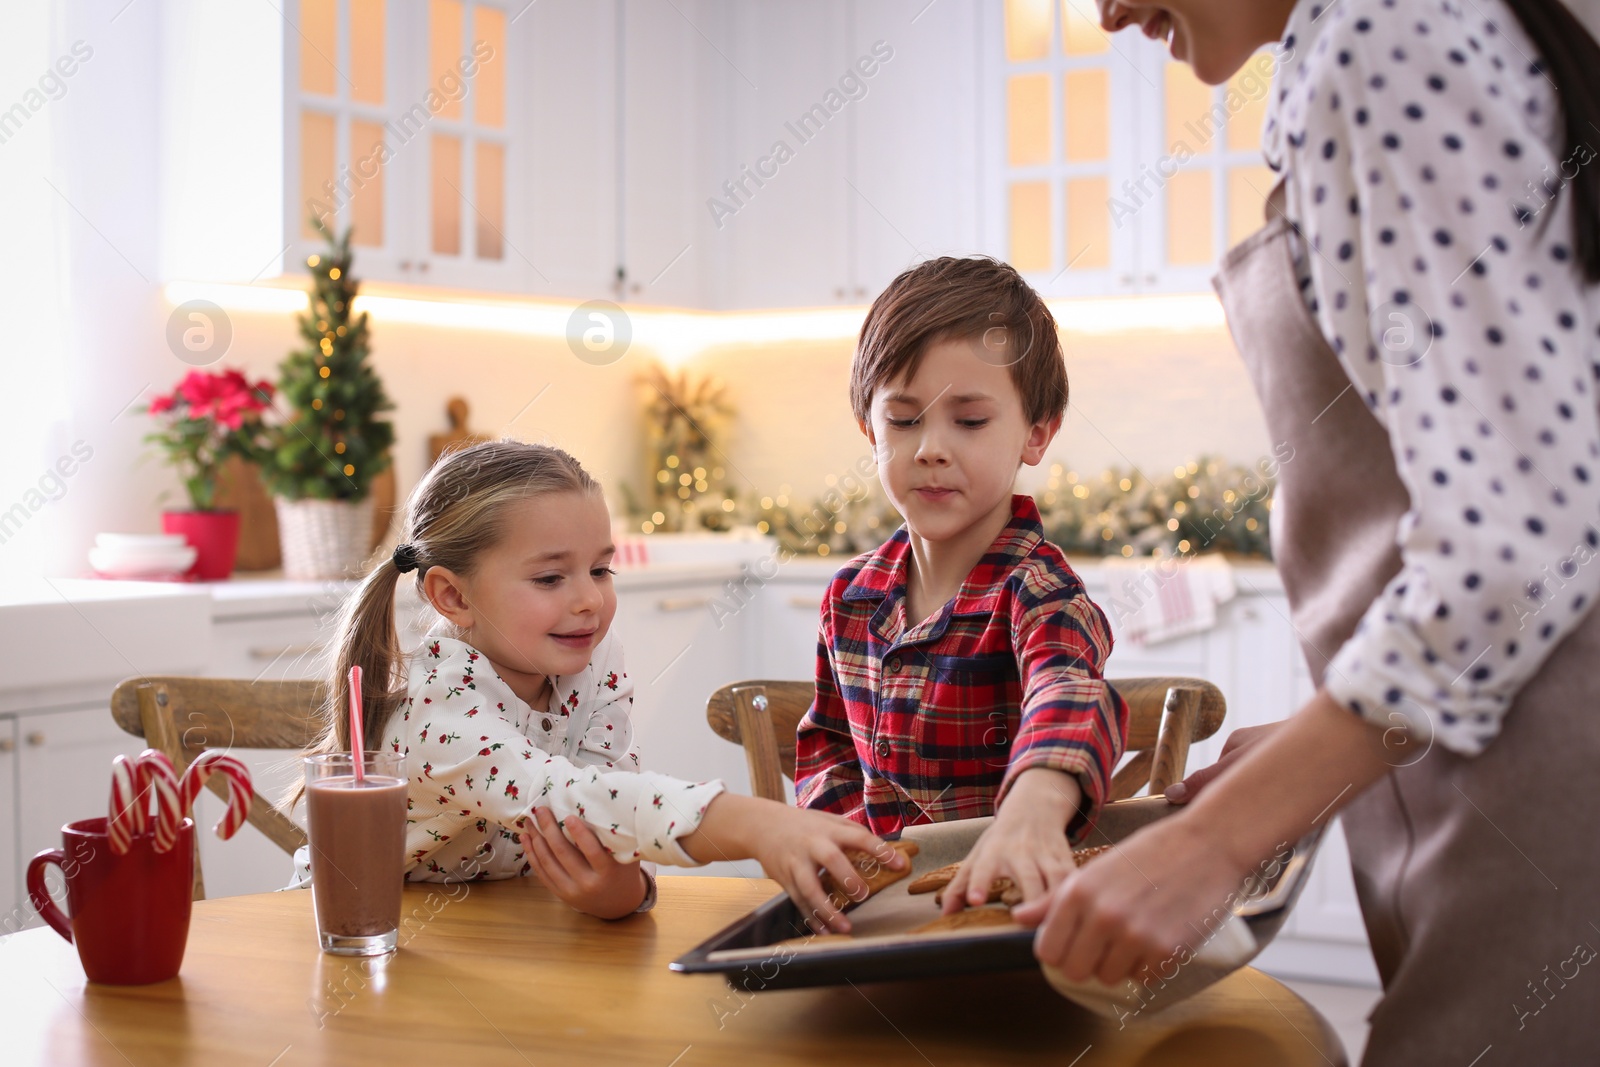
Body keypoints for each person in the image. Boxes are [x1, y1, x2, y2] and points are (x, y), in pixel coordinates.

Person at [1015, 0, 1600, 1061]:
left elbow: (1514, 538)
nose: (1103, 14)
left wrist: (1215, 839)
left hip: (1547, 800)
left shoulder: (1385, 43)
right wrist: (1306, 736)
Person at [291, 440, 901, 930]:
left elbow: (613, 799)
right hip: (363, 948)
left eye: (600, 569)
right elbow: (565, 793)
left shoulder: (591, 666)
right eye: (551, 577)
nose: (589, 600)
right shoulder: (439, 711)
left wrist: (621, 889)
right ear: (453, 596)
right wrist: (756, 824)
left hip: (499, 942)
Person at [796, 256, 1129, 910]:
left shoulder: (1038, 590)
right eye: (904, 419)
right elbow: (827, 746)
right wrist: (846, 854)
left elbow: (1071, 687)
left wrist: (1036, 803)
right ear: (870, 430)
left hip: (1003, 911)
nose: (930, 448)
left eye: (970, 421)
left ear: (1036, 434)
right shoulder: (849, 598)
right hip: (880, 915)